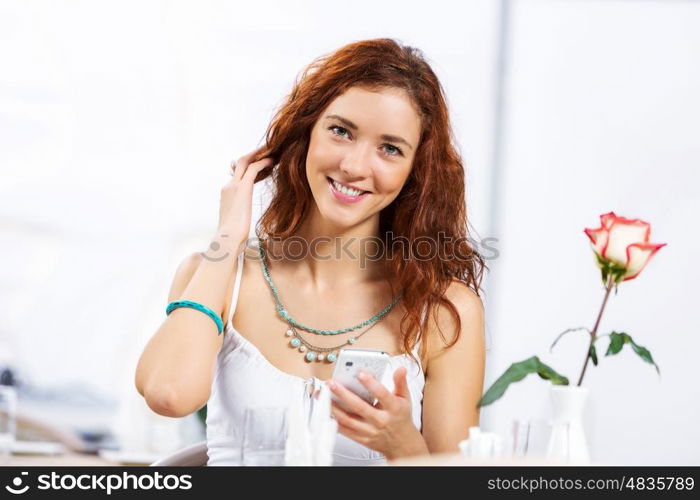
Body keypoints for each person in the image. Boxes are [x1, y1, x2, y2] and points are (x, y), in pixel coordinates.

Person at [135, 38, 486, 465]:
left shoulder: (444, 309)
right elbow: (168, 394)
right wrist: (230, 234)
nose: (355, 166)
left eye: (390, 149)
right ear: (307, 133)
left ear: (417, 171)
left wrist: (402, 445)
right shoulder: (218, 276)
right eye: (341, 131)